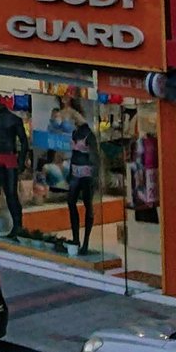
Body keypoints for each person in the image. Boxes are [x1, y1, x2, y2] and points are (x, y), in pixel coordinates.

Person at [0, 97, 28, 236]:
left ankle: (18, 224)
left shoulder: (14, 120)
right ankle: (16, 225)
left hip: (8, 156)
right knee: (8, 191)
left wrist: (21, 161)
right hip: (0, 155)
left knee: (11, 192)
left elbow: (24, 142)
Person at [65, 107, 100, 254]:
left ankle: (85, 241)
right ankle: (76, 238)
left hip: (86, 173)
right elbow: (73, 154)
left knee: (88, 206)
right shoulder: (75, 133)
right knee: (71, 203)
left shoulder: (89, 135)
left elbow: (95, 156)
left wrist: (96, 176)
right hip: (75, 171)